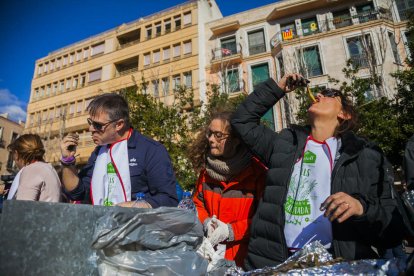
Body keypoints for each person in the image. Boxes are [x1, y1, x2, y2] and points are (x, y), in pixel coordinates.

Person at [231, 73, 407, 269]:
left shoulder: (365, 155)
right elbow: (242, 121)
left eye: (329, 93)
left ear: (344, 114)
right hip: (274, 263)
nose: (319, 95)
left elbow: (394, 226)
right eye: (320, 93)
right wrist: (277, 87)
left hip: (336, 264)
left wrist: (360, 208)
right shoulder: (284, 143)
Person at [60, 93, 178, 208]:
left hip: (137, 226)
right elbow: (78, 193)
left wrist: (130, 207)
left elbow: (168, 199)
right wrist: (67, 161)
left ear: (119, 124)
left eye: (97, 125)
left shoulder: (151, 150)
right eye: (90, 122)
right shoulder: (99, 152)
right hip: (102, 224)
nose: (91, 129)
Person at [190, 109, 266, 267]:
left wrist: (231, 231)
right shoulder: (206, 173)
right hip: (210, 257)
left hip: (244, 259)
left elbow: (265, 220)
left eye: (218, 135)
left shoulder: (257, 172)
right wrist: (205, 222)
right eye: (209, 134)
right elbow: (198, 203)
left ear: (237, 139)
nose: (211, 139)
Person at [7, 134, 61, 202]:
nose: (14, 159)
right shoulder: (50, 168)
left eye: (13, 155)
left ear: (16, 154)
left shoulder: (31, 170)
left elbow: (22, 207)